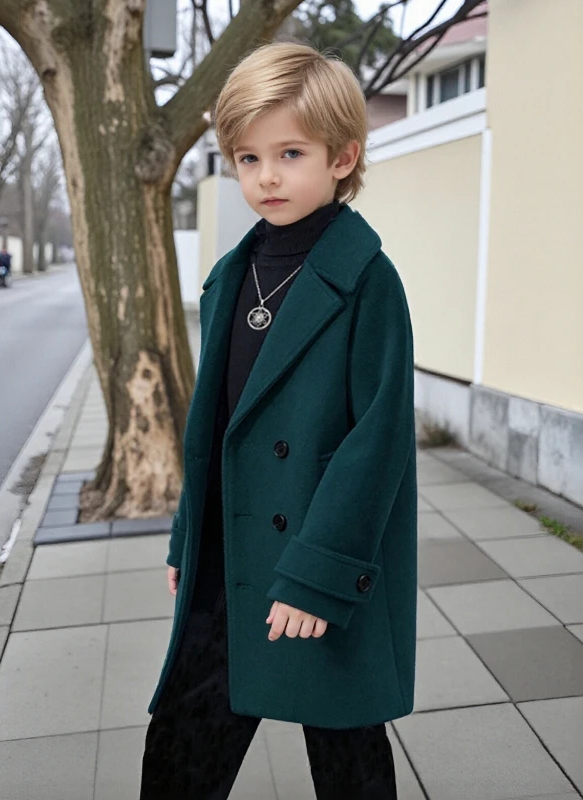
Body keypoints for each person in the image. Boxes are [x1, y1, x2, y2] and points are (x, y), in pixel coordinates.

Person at [140, 42, 417, 800]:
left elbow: (377, 444)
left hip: (317, 555)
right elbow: (214, 430)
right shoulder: (231, 276)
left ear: (342, 157)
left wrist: (316, 577)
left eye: (290, 153)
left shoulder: (368, 282)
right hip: (230, 562)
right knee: (180, 747)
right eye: (248, 157)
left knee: (347, 750)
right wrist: (186, 535)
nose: (266, 176)